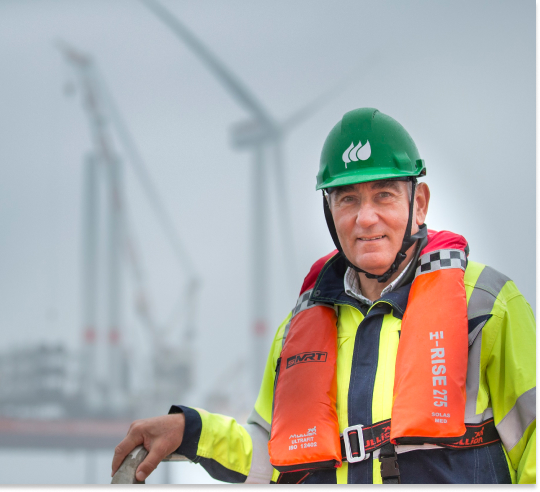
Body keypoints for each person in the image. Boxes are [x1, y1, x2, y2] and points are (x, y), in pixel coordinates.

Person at [110, 108, 536, 484]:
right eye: (347, 199)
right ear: (330, 213)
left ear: (418, 203)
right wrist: (191, 431)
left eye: (383, 195)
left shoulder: (485, 305)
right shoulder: (297, 329)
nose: (365, 218)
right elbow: (271, 459)